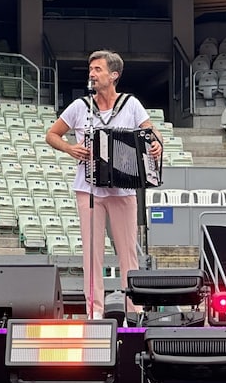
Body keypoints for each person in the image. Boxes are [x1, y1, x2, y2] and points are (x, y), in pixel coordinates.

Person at [46, 50, 163, 319]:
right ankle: (94, 312)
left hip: (123, 188)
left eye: (97, 69)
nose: (92, 73)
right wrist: (70, 148)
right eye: (91, 69)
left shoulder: (131, 104)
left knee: (128, 252)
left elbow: (150, 130)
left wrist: (156, 143)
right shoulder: (79, 107)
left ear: (114, 75)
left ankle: (134, 311)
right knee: (92, 253)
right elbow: (51, 134)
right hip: (88, 189)